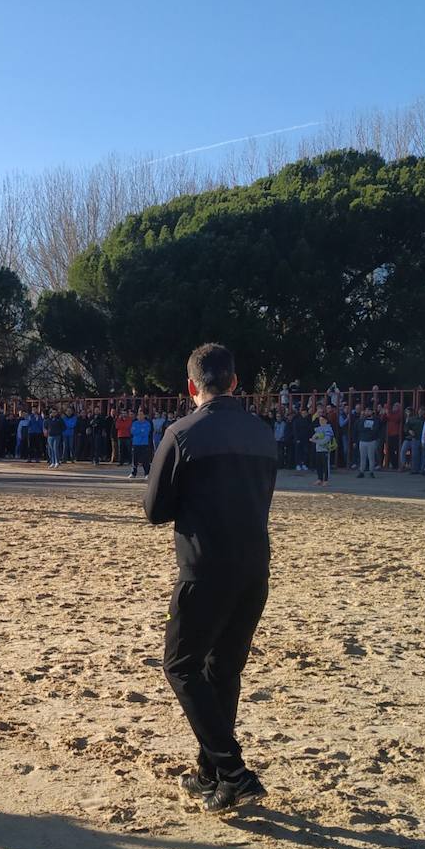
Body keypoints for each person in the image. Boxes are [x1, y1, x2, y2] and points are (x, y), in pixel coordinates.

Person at [144, 344, 277, 813]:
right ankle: (210, 773)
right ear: (236, 383)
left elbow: (154, 510)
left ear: (190, 387)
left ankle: (233, 770)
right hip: (254, 567)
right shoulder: (262, 433)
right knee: (222, 670)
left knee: (181, 665)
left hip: (205, 569)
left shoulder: (182, 433)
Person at [355, 407, 382, 478]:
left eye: (368, 411)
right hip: (363, 440)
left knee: (371, 457)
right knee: (362, 457)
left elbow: (375, 430)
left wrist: (368, 430)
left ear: (372, 411)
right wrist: (369, 429)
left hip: (371, 440)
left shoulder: (375, 420)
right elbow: (359, 428)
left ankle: (371, 471)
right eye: (366, 411)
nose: (367, 412)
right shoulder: (362, 420)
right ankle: (361, 471)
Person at [309, 411, 334, 486]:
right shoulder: (318, 429)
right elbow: (314, 436)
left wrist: (316, 441)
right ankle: (319, 479)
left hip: (325, 449)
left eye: (322, 420)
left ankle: (326, 480)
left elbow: (326, 439)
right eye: (320, 420)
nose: (321, 421)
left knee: (325, 466)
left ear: (326, 421)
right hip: (318, 449)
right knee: (319, 465)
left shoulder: (328, 428)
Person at [129, 409, 152, 478]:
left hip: (144, 444)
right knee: (134, 459)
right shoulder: (134, 423)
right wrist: (141, 430)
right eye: (139, 415)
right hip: (135, 443)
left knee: (145, 460)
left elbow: (146, 433)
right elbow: (133, 432)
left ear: (144, 415)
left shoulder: (147, 423)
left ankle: (147, 473)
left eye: (141, 414)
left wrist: (138, 431)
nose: (140, 416)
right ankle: (133, 473)